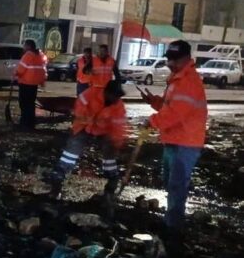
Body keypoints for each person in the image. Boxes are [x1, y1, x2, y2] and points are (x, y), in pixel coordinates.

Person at [140, 40, 207, 236]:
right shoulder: (176, 79)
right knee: (170, 181)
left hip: (186, 142)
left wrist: (152, 121)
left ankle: (173, 227)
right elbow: (170, 108)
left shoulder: (188, 81)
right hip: (174, 139)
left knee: (177, 184)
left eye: (174, 60)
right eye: (169, 59)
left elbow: (176, 114)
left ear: (187, 58)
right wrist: (155, 102)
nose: (170, 63)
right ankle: (171, 221)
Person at [49, 80, 128, 201]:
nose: (115, 99)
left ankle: (111, 185)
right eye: (114, 96)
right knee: (71, 151)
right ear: (107, 92)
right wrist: (90, 120)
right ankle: (56, 183)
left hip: (103, 132)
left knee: (110, 155)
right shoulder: (91, 93)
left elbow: (118, 128)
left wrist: (116, 143)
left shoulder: (118, 106)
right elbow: (79, 109)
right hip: (83, 127)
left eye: (118, 97)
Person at [15, 39, 47, 130]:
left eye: (25, 45)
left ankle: (24, 123)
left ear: (28, 46)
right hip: (34, 84)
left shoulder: (28, 55)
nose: (24, 47)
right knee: (31, 104)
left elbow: (21, 69)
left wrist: (15, 74)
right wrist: (42, 81)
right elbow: (43, 70)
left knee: (24, 104)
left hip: (25, 83)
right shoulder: (39, 55)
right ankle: (31, 123)